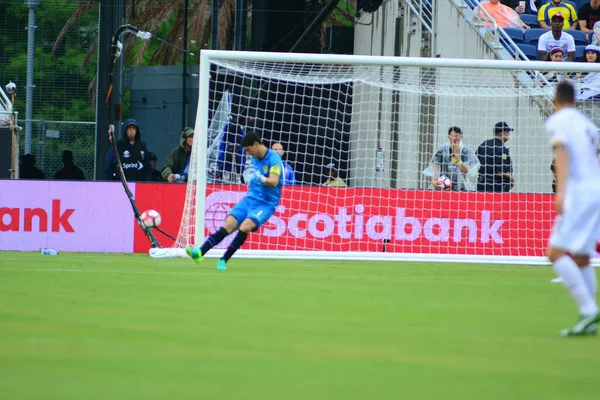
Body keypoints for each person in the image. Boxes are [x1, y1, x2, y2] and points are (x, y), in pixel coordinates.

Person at [545, 81, 600, 336]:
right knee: (581, 256)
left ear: (555, 98)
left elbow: (562, 152)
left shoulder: (560, 120)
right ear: (575, 100)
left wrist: (561, 191)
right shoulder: (588, 124)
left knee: (556, 253)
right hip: (596, 191)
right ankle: (588, 320)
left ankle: (589, 309)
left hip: (578, 193)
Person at [185, 132, 283, 270]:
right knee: (229, 224)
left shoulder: (274, 159)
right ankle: (200, 252)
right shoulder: (255, 158)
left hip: (266, 203)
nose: (248, 154)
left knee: (245, 226)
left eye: (249, 150)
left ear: (256, 144)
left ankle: (224, 260)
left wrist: (261, 178)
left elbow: (274, 182)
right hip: (250, 199)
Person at [423, 126, 480, 191]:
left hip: (461, 187)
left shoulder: (465, 151)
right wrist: (433, 181)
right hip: (444, 186)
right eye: (452, 135)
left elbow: (465, 170)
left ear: (461, 137)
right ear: (448, 136)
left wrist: (457, 155)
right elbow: (435, 167)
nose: (454, 138)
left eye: (457, 135)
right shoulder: (442, 150)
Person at [476, 122, 515, 192]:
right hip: (496, 186)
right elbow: (500, 171)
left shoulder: (484, 144)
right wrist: (511, 178)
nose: (509, 133)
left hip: (481, 184)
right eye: (507, 131)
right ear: (502, 133)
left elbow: (475, 162)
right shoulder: (500, 148)